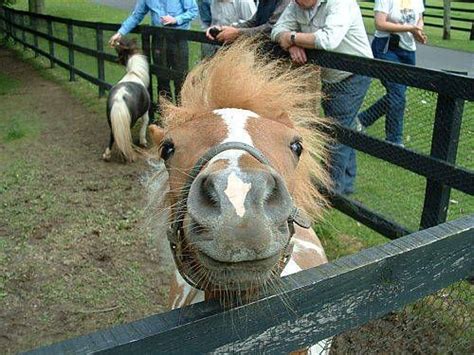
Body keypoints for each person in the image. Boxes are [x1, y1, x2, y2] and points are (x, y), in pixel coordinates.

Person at [271, 0, 373, 195]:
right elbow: (277, 30)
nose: (297, 3)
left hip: (353, 74)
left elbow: (328, 40)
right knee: (343, 126)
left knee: (335, 131)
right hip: (331, 74)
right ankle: (346, 185)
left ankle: (330, 193)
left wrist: (292, 37)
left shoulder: (340, 4)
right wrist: (292, 43)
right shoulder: (296, 4)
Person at [357, 0, 427, 146]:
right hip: (387, 47)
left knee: (397, 94)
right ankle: (394, 142)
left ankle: (363, 119)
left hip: (408, 51)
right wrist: (410, 28)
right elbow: (380, 23)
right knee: (397, 94)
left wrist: (418, 30)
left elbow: (420, 17)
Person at [108, 0, 199, 102]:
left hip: (178, 38)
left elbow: (193, 11)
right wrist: (120, 33)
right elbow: (136, 15)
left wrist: (176, 19)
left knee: (181, 78)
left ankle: (183, 114)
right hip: (158, 39)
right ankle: (165, 114)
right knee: (162, 78)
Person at [206, 0, 291, 43]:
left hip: (282, 56)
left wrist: (237, 33)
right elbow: (253, 22)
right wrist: (225, 29)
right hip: (263, 53)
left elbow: (272, 28)